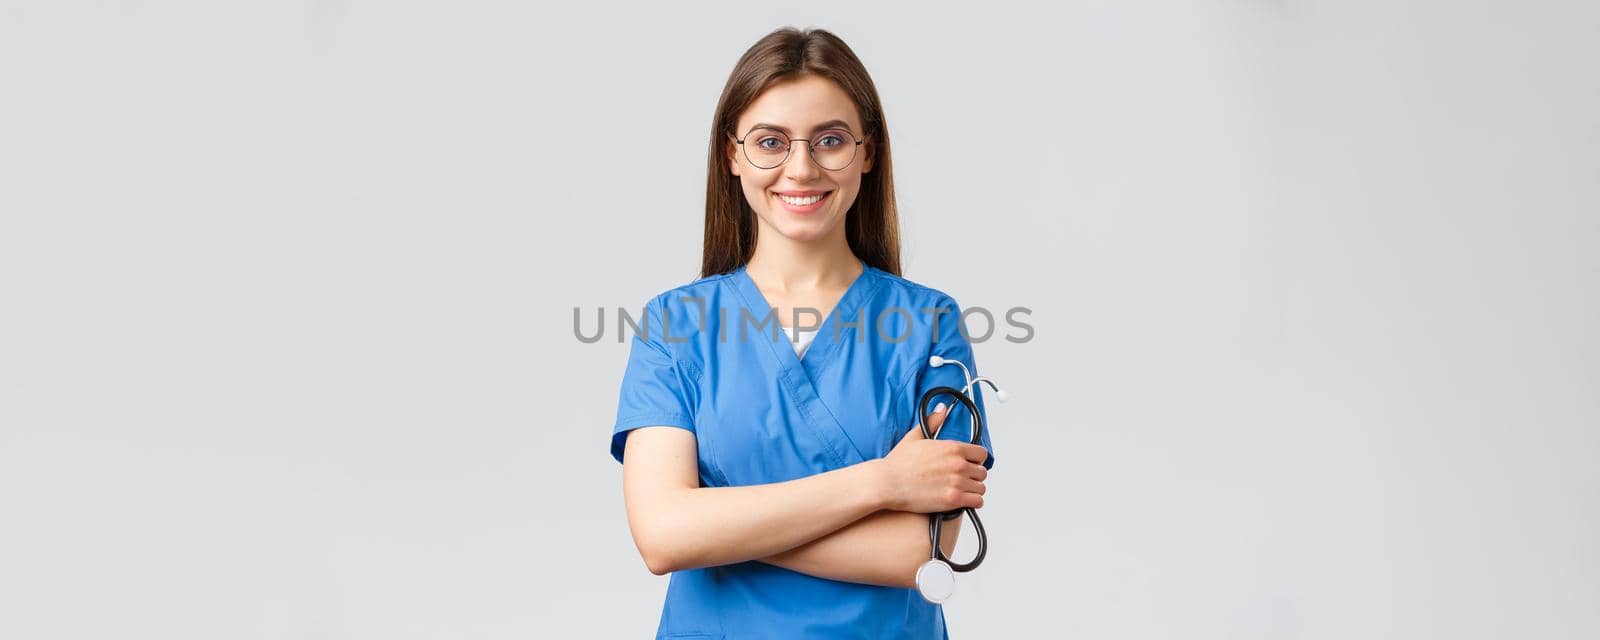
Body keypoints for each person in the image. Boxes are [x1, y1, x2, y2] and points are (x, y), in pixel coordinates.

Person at [609, 26, 996, 640]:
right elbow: (662, 538)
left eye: (831, 141)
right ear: (732, 154)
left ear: (869, 152)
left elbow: (919, 553)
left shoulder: (929, 325)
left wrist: (714, 525)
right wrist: (883, 483)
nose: (801, 168)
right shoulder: (674, 326)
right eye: (769, 142)